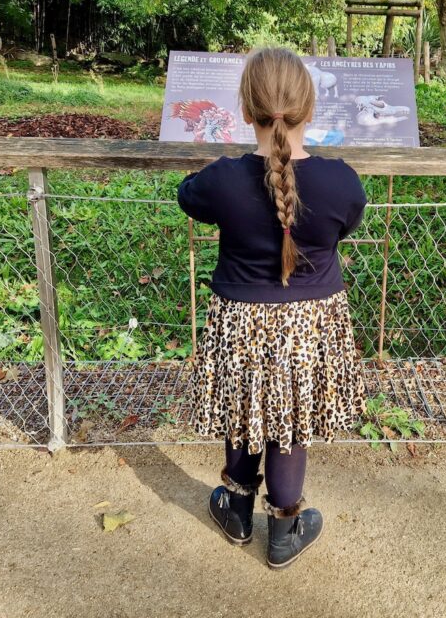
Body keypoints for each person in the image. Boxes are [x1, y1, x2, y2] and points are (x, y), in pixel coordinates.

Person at [177, 47, 367, 569]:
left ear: (246, 111)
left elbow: (186, 195)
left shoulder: (221, 179)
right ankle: (283, 531)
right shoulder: (341, 181)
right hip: (311, 324)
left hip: (239, 320)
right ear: (310, 111)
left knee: (243, 414)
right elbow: (345, 224)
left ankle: (236, 512)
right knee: (291, 424)